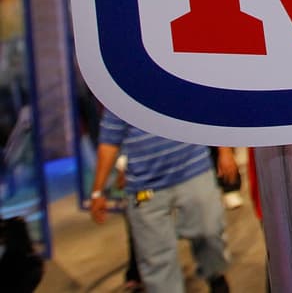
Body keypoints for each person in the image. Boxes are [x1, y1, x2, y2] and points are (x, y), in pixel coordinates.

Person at [90, 111, 232, 293]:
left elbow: (208, 112)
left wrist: (225, 151)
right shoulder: (123, 93)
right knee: (156, 257)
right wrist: (97, 192)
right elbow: (109, 142)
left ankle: (216, 277)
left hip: (193, 168)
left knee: (210, 230)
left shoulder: (181, 82)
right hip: (144, 185)